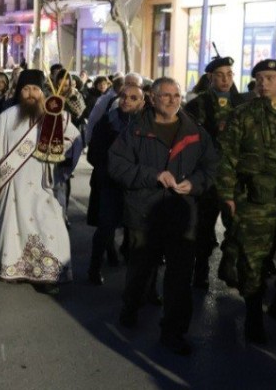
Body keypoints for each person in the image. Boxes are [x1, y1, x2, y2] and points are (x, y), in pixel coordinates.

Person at [109, 77, 218, 356]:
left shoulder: (195, 131)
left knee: (180, 278)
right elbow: (117, 166)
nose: (172, 100)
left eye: (176, 95)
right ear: (153, 98)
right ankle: (131, 306)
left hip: (182, 216)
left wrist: (195, 183)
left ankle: (173, 331)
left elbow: (211, 166)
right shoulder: (134, 131)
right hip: (145, 213)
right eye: (166, 95)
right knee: (141, 271)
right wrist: (153, 175)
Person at [0, 69, 80, 295]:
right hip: (13, 185)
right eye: (26, 89)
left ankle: (49, 275)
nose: (31, 94)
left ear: (42, 91)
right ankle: (16, 269)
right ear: (19, 91)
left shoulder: (55, 114)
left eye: (35, 88)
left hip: (45, 184)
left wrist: (60, 156)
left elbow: (74, 140)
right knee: (15, 228)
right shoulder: (7, 116)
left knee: (52, 226)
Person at [218, 59, 276, 344]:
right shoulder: (243, 114)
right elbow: (226, 157)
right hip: (254, 200)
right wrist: (227, 195)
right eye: (259, 78)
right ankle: (253, 316)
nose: (263, 82)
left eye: (270, 77)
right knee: (254, 261)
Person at [184, 55, 247, 289]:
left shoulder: (242, 104)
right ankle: (200, 273)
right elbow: (189, 141)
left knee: (237, 227)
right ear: (210, 78)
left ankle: (230, 269)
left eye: (229, 74)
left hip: (235, 179)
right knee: (203, 229)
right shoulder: (197, 105)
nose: (226, 79)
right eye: (220, 75)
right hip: (208, 179)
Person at [86, 83, 144, 284]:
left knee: (136, 230)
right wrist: (112, 169)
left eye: (133, 98)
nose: (127, 100)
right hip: (111, 183)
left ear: (142, 101)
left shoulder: (147, 124)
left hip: (136, 185)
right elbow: (94, 153)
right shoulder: (107, 122)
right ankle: (94, 267)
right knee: (105, 226)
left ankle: (136, 273)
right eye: (124, 96)